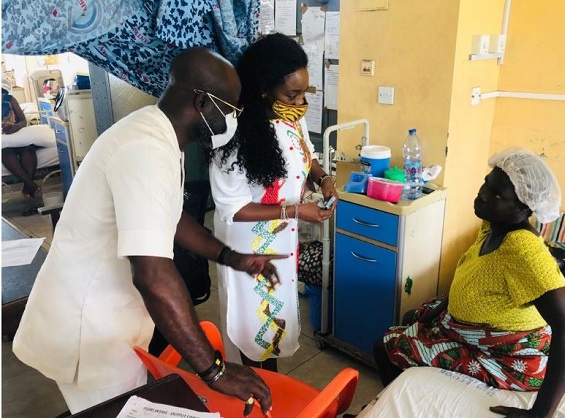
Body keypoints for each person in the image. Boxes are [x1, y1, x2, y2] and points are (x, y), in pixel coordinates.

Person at [13, 48, 285, 415]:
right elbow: (153, 274)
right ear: (203, 102)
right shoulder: (145, 149)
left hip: (111, 319)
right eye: (231, 109)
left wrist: (231, 257)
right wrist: (215, 371)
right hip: (89, 329)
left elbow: (169, 218)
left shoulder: (156, 133)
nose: (233, 120)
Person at [373, 148, 565, 418]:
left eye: (497, 195)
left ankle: (396, 405)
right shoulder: (492, 224)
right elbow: (471, 272)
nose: (483, 194)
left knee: (385, 345)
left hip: (507, 355)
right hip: (469, 325)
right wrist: (438, 313)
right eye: (487, 183)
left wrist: (540, 415)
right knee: (411, 315)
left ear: (523, 208)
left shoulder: (524, 251)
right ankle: (402, 383)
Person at [209, 33, 338, 372]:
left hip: (281, 241)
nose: (300, 103)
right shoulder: (232, 135)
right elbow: (234, 209)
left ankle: (271, 385)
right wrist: (297, 210)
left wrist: (322, 178)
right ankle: (252, 389)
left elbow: (305, 155)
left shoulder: (292, 118)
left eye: (304, 93)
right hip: (246, 247)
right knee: (251, 323)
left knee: (275, 321)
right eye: (291, 94)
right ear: (264, 88)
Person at [2, 78, 52, 200]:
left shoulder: (11, 100)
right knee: (5, 153)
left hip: (18, 135)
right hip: (4, 142)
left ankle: (27, 187)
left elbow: (24, 121)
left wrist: (15, 127)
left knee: (28, 150)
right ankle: (31, 186)